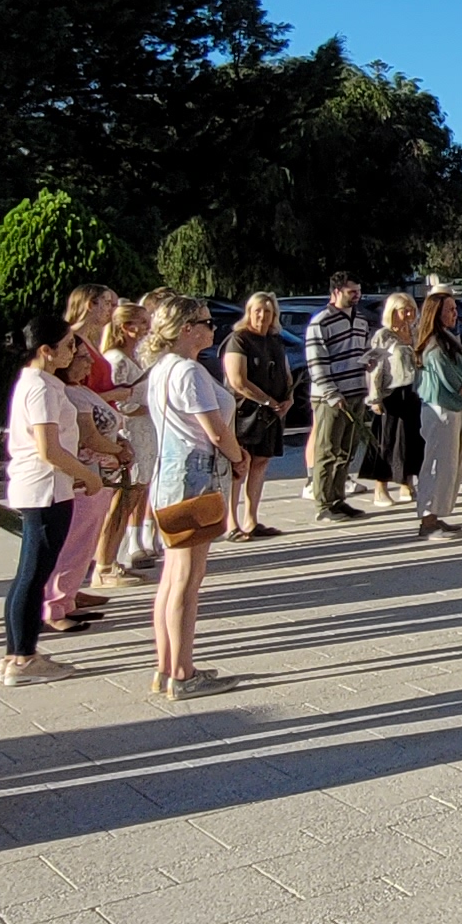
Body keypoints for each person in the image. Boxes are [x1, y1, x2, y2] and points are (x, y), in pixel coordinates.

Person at [144, 291, 247, 694]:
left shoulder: (163, 368)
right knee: (187, 581)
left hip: (170, 476)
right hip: (194, 475)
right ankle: (182, 672)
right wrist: (238, 457)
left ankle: (166, 666)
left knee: (173, 578)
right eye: (205, 322)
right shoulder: (188, 371)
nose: (212, 327)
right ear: (186, 329)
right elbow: (215, 430)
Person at [0, 317, 102, 687]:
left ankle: (18, 653)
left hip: (46, 487)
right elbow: (49, 449)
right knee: (33, 575)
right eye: (69, 345)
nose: (74, 352)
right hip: (45, 489)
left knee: (31, 573)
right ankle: (22, 657)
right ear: (46, 350)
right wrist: (88, 475)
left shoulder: (41, 383)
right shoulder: (41, 386)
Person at [42, 289, 122, 639]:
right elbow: (87, 434)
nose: (89, 363)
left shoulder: (80, 385)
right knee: (73, 540)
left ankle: (70, 593)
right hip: (83, 473)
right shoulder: (66, 389)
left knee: (85, 538)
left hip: (99, 471)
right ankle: (55, 604)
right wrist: (117, 450)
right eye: (82, 358)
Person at [301, 274, 377, 520]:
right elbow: (316, 362)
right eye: (351, 292)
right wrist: (331, 393)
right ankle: (323, 503)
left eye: (358, 291)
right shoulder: (321, 322)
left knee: (347, 450)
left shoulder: (361, 320)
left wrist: (370, 360)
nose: (357, 296)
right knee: (328, 449)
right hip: (331, 396)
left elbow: (362, 349)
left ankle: (338, 498)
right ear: (336, 292)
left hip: (356, 391)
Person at [92, 297, 156, 581]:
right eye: (141, 322)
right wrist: (152, 407)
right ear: (126, 327)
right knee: (122, 500)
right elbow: (116, 403)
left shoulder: (135, 357)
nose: (147, 327)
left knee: (135, 495)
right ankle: (105, 561)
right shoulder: (116, 359)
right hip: (130, 431)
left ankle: (114, 557)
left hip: (145, 432)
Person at [411, 285, 462, 535]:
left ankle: (438, 513)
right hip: (441, 409)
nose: (455, 313)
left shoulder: (449, 339)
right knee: (438, 463)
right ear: (436, 313)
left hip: (458, 408)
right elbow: (448, 377)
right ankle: (427, 520)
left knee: (452, 466)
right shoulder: (433, 345)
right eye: (450, 309)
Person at [223, 294, 292, 538]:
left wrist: (289, 398)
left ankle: (251, 520)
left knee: (261, 462)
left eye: (268, 311)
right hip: (244, 413)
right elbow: (237, 381)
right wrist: (268, 400)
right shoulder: (239, 339)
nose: (262, 316)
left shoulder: (275, 340)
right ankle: (231, 523)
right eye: (258, 310)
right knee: (240, 465)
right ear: (249, 312)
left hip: (270, 414)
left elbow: (286, 373)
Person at [364, 290, 423, 510]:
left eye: (411, 310)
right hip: (392, 393)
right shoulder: (383, 336)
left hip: (415, 391)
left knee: (412, 440)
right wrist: (375, 397)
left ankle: (407, 482)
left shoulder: (416, 332)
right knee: (388, 440)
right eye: (404, 310)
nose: (409, 314)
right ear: (392, 311)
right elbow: (374, 368)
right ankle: (380, 488)